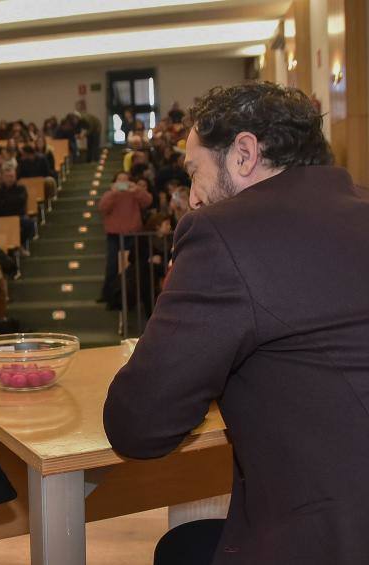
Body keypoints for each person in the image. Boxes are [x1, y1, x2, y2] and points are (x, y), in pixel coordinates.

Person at [103, 83, 369, 565]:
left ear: (244, 154)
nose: (193, 197)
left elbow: (138, 425)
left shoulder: (224, 233)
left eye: (194, 172)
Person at [97, 171, 152, 305]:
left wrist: (136, 189)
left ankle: (129, 296)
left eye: (125, 180)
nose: (122, 182)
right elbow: (103, 208)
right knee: (112, 265)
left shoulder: (134, 193)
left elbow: (147, 201)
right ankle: (108, 294)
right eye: (119, 180)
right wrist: (113, 193)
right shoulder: (110, 194)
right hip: (114, 235)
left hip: (132, 234)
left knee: (130, 266)